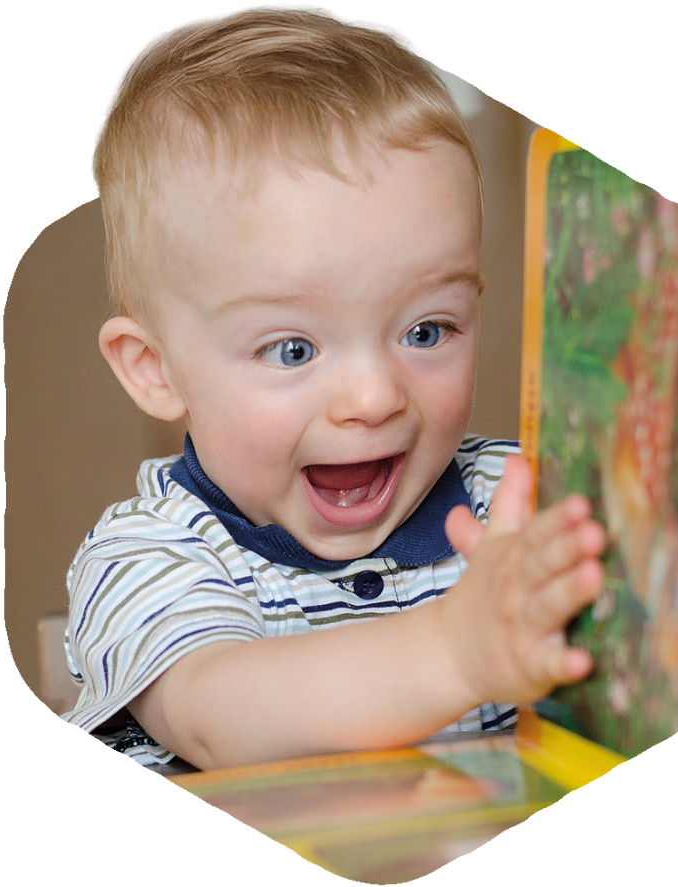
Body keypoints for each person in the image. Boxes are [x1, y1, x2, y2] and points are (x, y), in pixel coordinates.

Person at [63, 8, 605, 770]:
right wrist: (458, 651)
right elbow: (218, 716)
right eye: (292, 349)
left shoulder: (514, 503)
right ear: (155, 367)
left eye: (426, 331)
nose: (374, 396)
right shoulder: (149, 555)